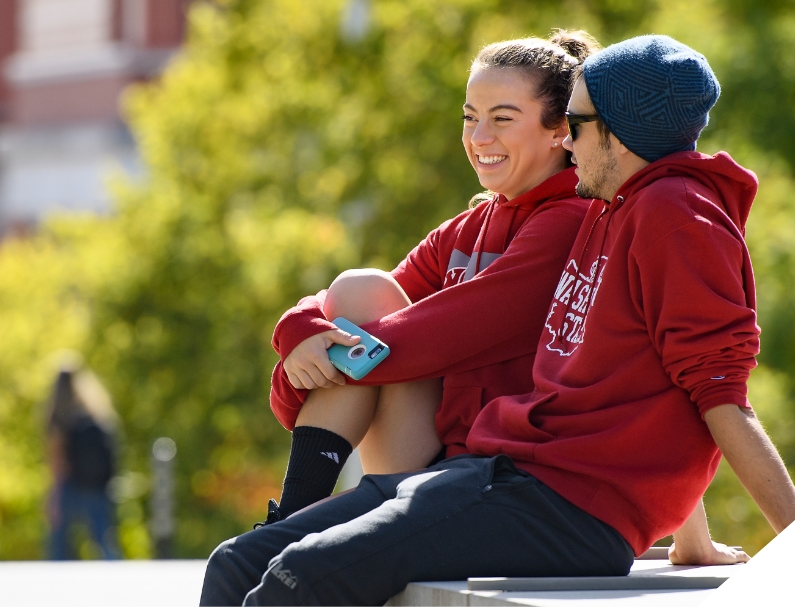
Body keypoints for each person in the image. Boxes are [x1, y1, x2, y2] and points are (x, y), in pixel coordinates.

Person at [202, 35, 795, 606]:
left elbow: (715, 391)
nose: (568, 140)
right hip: (503, 473)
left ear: (618, 134)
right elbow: (641, 377)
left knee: (297, 581)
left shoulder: (675, 215)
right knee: (240, 562)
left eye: (577, 124)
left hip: (565, 506)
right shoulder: (612, 211)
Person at [263, 31, 599, 524]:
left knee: (371, 324)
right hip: (432, 449)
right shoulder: (468, 227)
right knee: (361, 289)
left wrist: (316, 356)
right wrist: (299, 332)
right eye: (470, 117)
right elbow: (363, 304)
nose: (478, 137)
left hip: (505, 469)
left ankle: (292, 524)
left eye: (502, 119)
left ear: (559, 131)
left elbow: (442, 335)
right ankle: (291, 518)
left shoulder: (572, 220)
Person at [45, 363, 121, 560]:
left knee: (60, 541)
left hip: (72, 485)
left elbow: (58, 459)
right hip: (97, 485)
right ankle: (119, 579)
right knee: (103, 539)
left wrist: (54, 494)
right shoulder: (95, 410)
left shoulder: (60, 414)